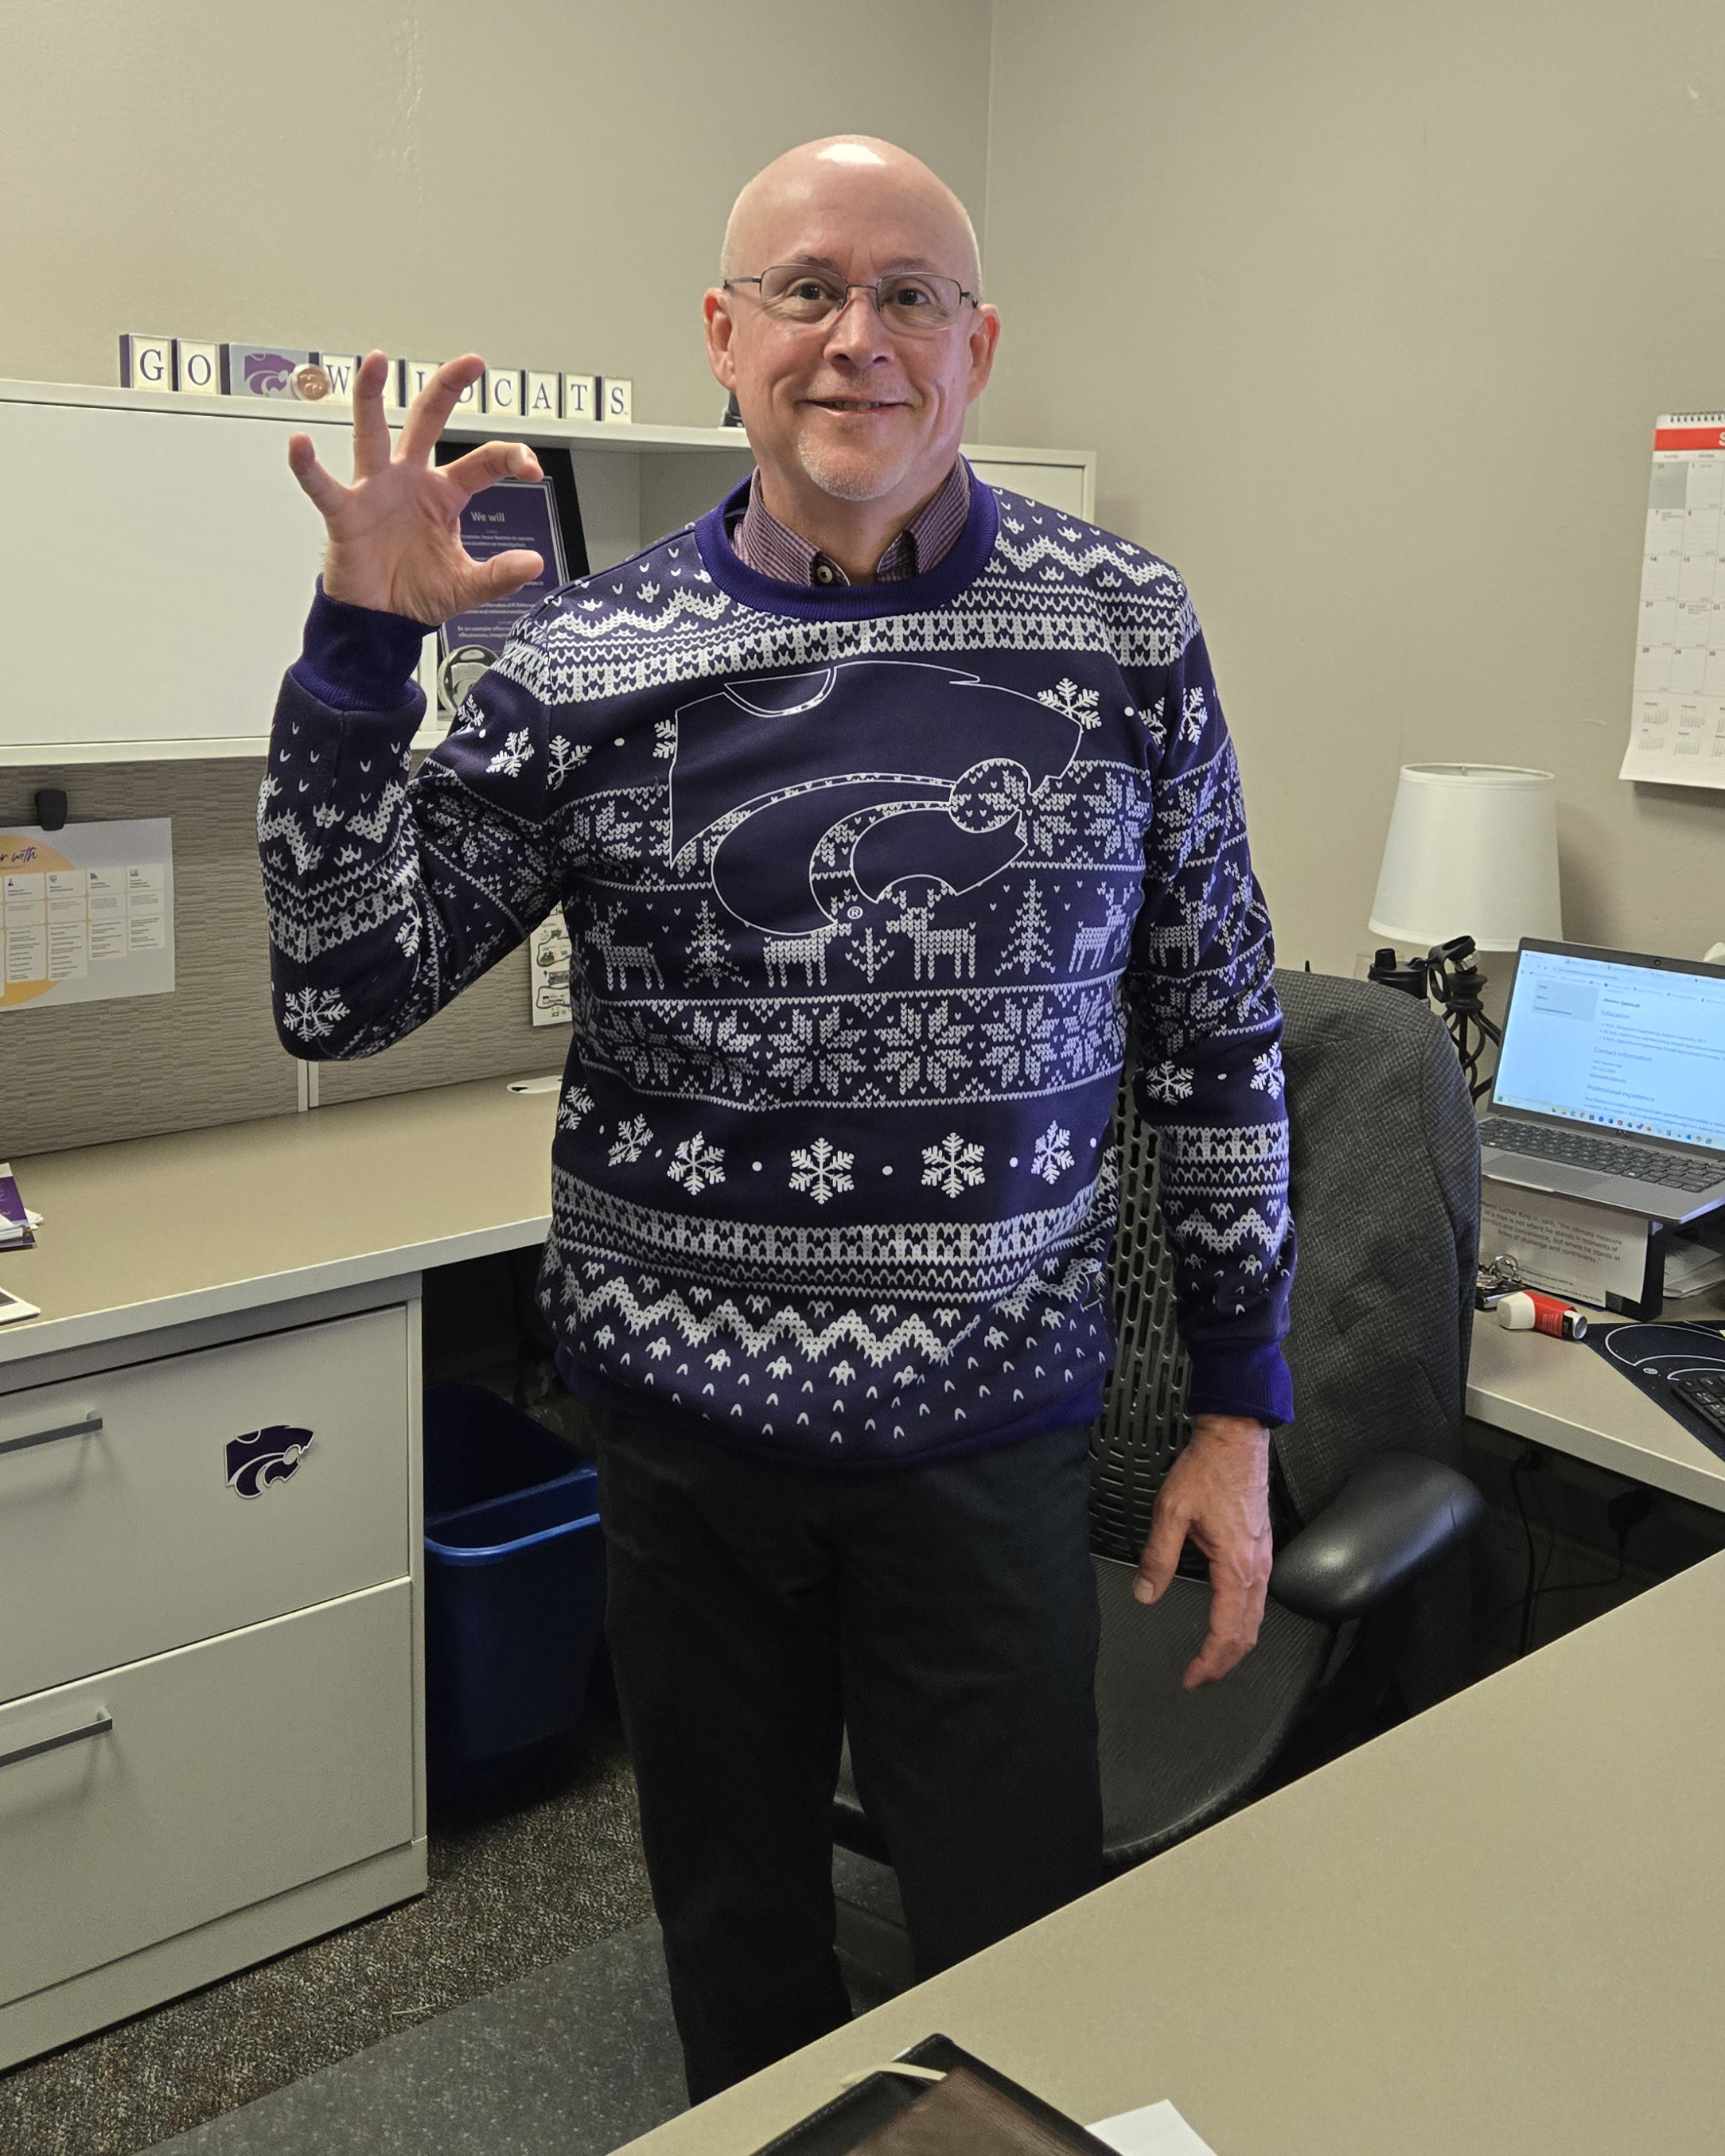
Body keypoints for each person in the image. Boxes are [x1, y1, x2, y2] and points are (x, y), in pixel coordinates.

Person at [262, 135, 1296, 2103]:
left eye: (909, 293)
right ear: (723, 339)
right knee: (735, 1929)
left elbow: (1218, 1027)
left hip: (991, 1433)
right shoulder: (582, 658)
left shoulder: (1123, 630)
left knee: (1020, 1940)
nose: (859, 338)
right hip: (682, 1441)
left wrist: (1239, 1405)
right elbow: (343, 985)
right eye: (807, 289)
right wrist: (360, 649)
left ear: (976, 345)